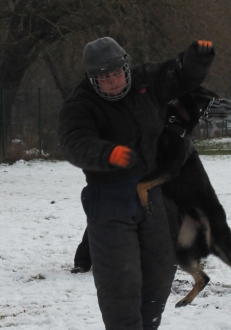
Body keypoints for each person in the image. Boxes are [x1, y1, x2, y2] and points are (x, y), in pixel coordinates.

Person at [58, 37, 214, 329]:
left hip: (152, 193)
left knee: (159, 272)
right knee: (121, 280)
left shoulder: (146, 80)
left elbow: (179, 75)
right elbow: (73, 142)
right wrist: (107, 153)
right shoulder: (80, 104)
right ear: (93, 79)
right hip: (109, 199)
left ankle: (148, 324)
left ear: (126, 68)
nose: (114, 82)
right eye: (105, 79)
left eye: (117, 73)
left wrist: (197, 58)